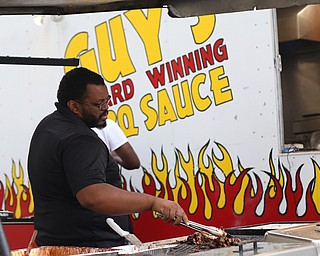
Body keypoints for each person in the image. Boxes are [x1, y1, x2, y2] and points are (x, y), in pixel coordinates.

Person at [27, 67, 188, 248]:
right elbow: (93, 195)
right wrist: (153, 202)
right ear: (74, 106)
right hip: (90, 246)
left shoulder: (48, 125)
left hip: (55, 243)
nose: (106, 109)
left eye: (107, 101)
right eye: (98, 104)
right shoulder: (81, 139)